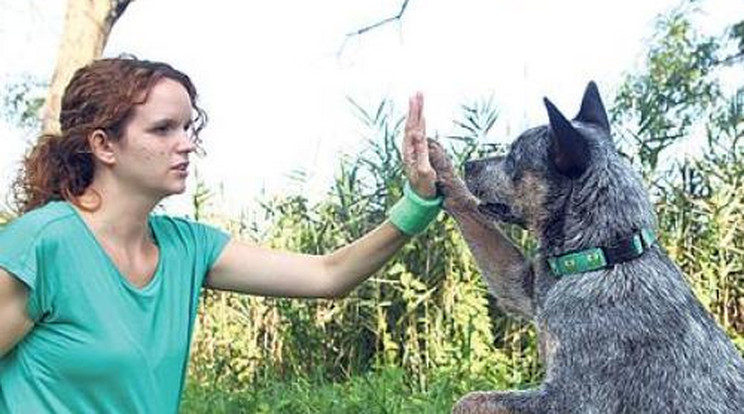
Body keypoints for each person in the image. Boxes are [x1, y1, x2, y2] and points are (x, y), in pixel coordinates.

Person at [0, 57, 441, 413]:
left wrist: (416, 203)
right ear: (104, 145)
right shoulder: (42, 244)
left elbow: (328, 275)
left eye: (189, 127)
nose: (187, 143)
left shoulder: (188, 248)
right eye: (163, 128)